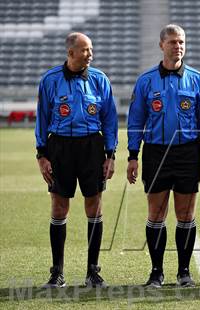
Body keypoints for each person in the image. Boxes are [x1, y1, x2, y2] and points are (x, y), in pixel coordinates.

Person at [126, 24, 200, 288]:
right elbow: (136, 120)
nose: (178, 46)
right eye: (173, 42)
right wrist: (133, 155)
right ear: (162, 45)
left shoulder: (197, 80)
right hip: (155, 152)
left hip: (187, 152)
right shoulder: (146, 81)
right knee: (156, 213)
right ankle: (156, 272)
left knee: (186, 214)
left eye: (182, 42)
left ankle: (184, 272)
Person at [35, 32, 118, 288]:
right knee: (59, 207)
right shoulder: (50, 80)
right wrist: (42, 154)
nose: (90, 54)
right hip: (59, 146)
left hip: (91, 146)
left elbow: (110, 119)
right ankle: (57, 272)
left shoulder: (99, 79)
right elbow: (42, 118)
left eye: (91, 49)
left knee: (94, 206)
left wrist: (110, 154)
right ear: (70, 53)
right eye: (84, 50)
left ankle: (93, 271)